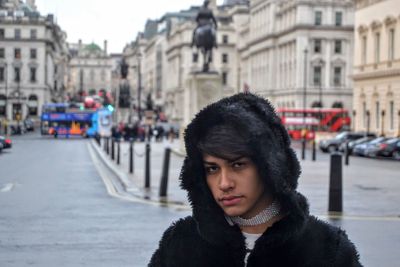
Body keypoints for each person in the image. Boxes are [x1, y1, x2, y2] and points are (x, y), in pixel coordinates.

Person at [149, 93, 361, 266]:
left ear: (269, 165)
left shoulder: (328, 250)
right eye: (212, 168)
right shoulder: (179, 243)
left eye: (238, 165)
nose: (224, 183)